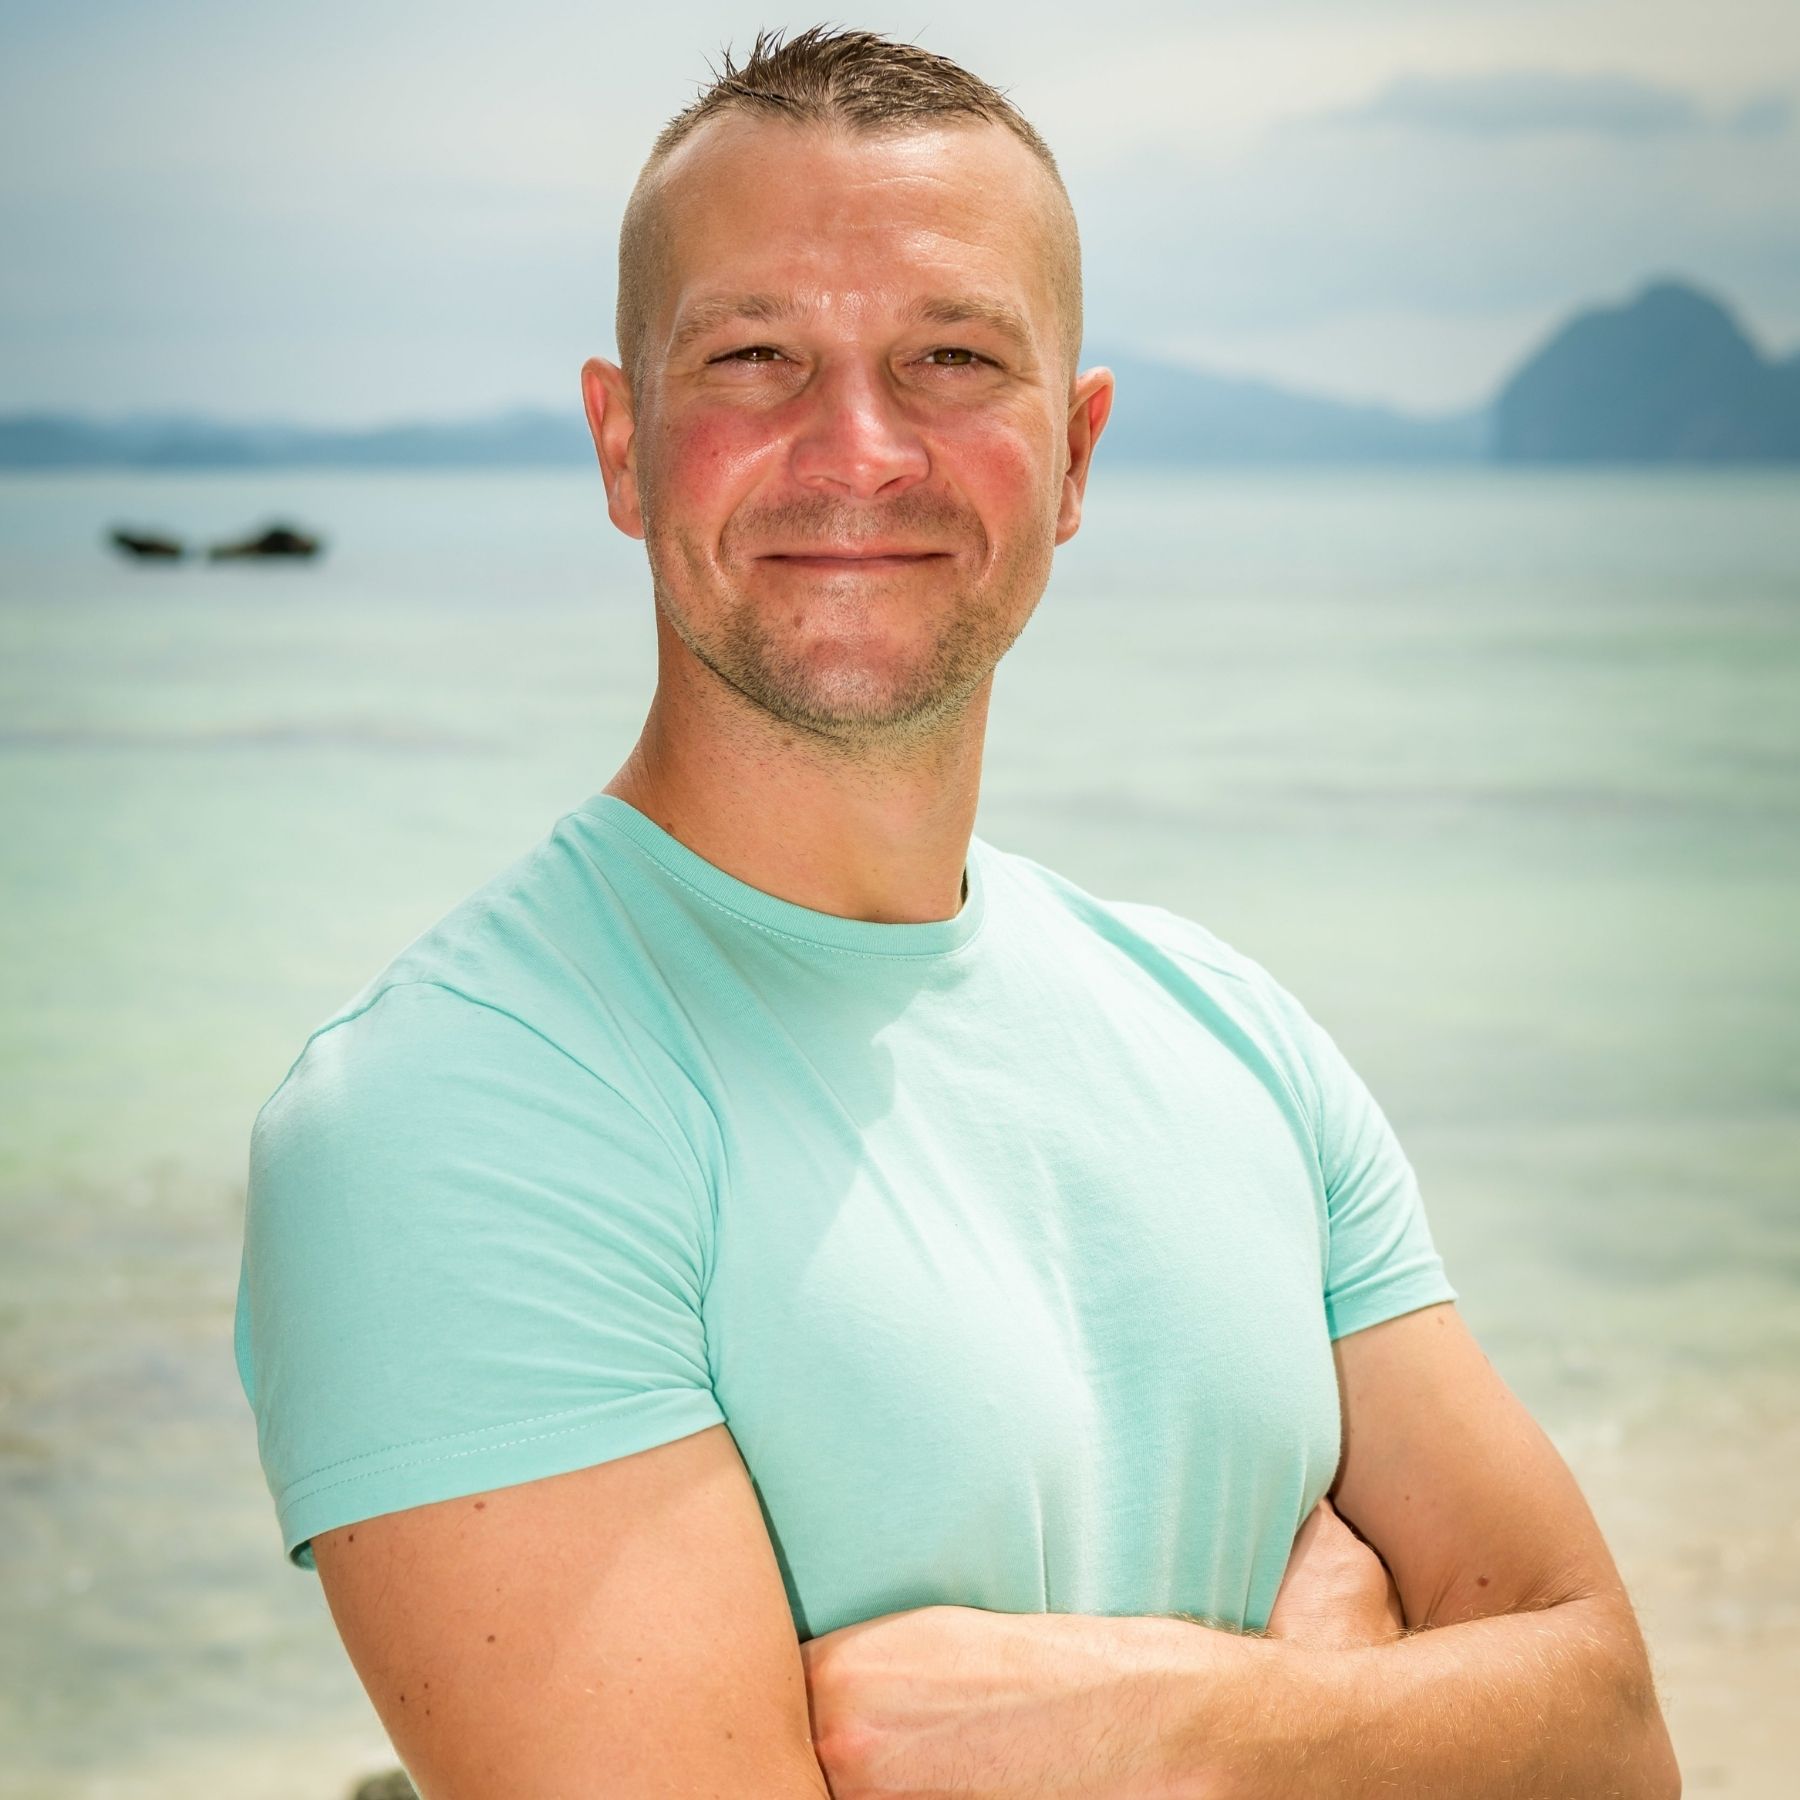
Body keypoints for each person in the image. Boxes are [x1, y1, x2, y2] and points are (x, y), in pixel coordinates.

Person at [233, 25, 1680, 1799]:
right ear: (623, 444)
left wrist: (1181, 1722)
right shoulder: (453, 1115)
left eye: (951, 358)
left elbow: (1615, 1734)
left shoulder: (1229, 1032)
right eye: (754, 356)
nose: (859, 450)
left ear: (1074, 456)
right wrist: (1359, 1695)